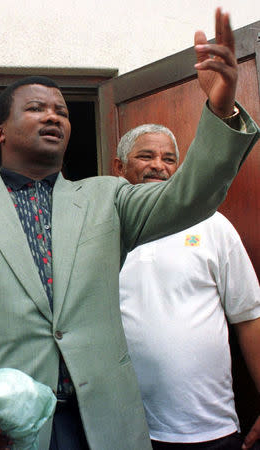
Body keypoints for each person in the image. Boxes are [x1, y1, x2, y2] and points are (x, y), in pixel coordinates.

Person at [0, 9, 259, 450]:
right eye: (36, 109)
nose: (53, 116)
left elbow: (189, 196)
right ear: (0, 131)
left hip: (105, 426)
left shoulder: (107, 197)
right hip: (8, 430)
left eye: (61, 110)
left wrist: (220, 107)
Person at [114, 124, 260, 450]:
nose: (159, 166)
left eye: (169, 159)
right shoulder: (102, 231)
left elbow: (249, 317)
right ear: (119, 168)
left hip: (209, 427)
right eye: (146, 156)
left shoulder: (212, 224)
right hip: (127, 430)